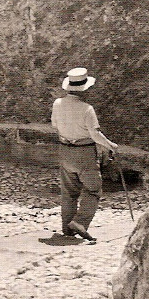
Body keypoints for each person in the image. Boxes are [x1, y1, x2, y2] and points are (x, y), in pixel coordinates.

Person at [51, 67, 118, 244]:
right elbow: (95, 134)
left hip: (64, 150)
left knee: (69, 192)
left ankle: (67, 228)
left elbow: (55, 125)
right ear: (85, 88)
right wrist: (110, 145)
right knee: (93, 189)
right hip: (84, 152)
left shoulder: (57, 104)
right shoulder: (87, 109)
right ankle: (80, 222)